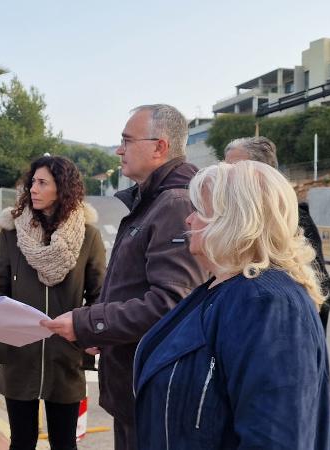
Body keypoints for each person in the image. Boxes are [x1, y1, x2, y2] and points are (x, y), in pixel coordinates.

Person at [133, 161, 330, 449]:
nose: (189, 220)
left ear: (235, 219)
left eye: (200, 211)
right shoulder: (225, 288)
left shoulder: (267, 303)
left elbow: (275, 438)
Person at [40, 104, 208, 449]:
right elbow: (133, 287)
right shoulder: (154, 201)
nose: (119, 150)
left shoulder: (174, 203)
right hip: (136, 387)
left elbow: (171, 303)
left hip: (152, 392)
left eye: (127, 141)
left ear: (159, 147)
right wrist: (105, 330)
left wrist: (91, 323)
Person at [0, 155, 107, 450]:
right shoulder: (12, 234)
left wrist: (94, 333)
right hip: (20, 356)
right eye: (32, 182)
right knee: (21, 442)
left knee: (65, 444)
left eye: (43, 183)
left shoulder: (88, 236)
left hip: (66, 356)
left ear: (62, 188)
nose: (33, 189)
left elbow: (98, 294)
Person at [225, 136, 330, 330]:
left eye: (235, 169)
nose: (226, 177)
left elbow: (318, 284)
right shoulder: (234, 218)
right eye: (226, 169)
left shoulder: (292, 218)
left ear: (262, 172)